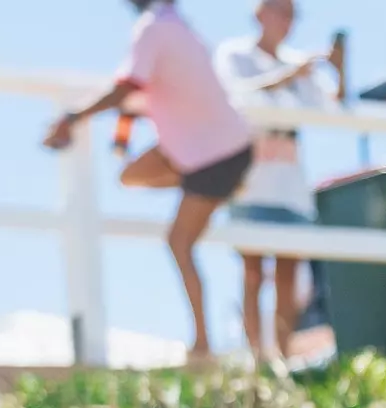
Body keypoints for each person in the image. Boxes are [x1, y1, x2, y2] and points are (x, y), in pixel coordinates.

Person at [45, 0, 255, 359]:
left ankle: (202, 345)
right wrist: (122, 130)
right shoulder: (178, 27)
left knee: (179, 242)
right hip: (214, 149)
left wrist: (73, 117)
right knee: (130, 176)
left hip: (214, 155)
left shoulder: (153, 28)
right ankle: (216, 184)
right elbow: (142, 93)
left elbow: (126, 86)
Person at [213, 1, 343, 360]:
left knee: (289, 275)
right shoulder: (235, 54)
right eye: (280, 10)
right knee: (252, 273)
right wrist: (289, 75)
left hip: (291, 186)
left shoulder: (299, 63)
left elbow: (333, 105)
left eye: (291, 13)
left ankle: (283, 358)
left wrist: (338, 69)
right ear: (259, 13)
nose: (287, 20)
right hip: (250, 182)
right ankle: (257, 359)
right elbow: (235, 96)